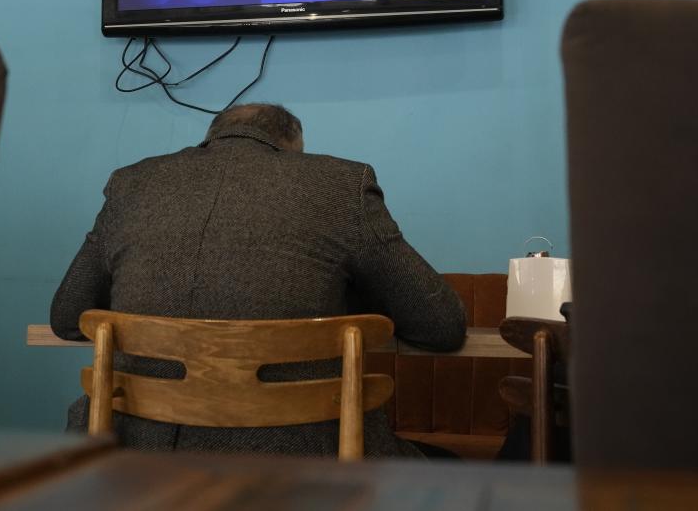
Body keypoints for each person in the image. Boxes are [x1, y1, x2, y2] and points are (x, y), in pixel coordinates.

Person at [51, 103, 468, 458]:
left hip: (129, 454)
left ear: (211, 138)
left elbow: (67, 316)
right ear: (292, 149)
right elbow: (441, 326)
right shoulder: (340, 185)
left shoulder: (132, 183)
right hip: (299, 459)